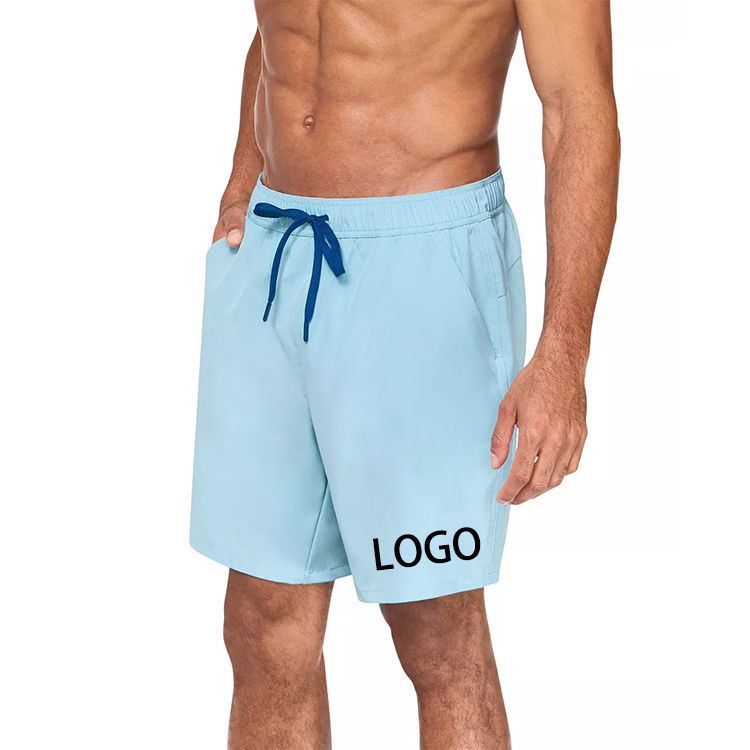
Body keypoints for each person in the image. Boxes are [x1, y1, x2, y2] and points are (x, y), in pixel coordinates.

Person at [190, 1, 619, 747]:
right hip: (276, 246)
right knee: (263, 623)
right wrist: (242, 176)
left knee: (436, 632)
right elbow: (282, 32)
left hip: (423, 260)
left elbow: (577, 107)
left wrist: (563, 354)